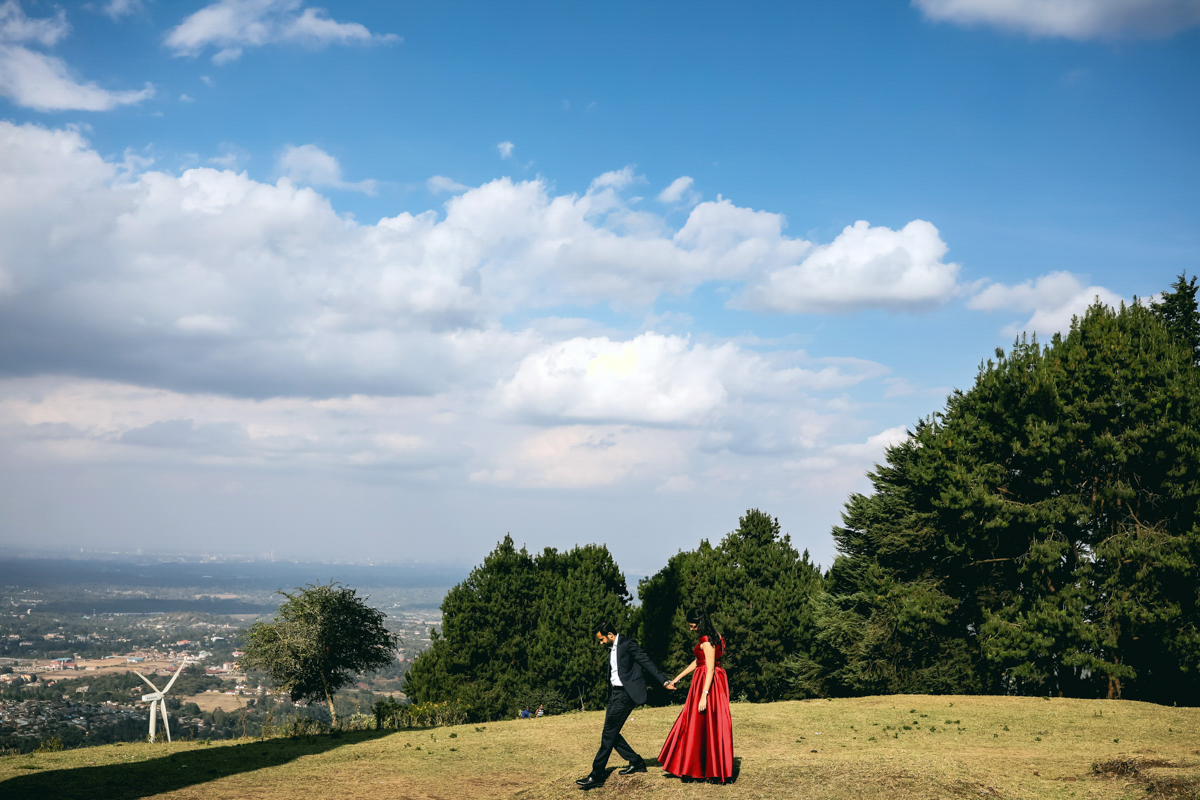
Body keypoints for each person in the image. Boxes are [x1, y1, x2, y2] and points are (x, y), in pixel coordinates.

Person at [576, 621, 673, 789]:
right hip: (615, 694)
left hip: (626, 694)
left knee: (608, 734)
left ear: (611, 635)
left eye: (601, 639)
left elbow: (646, 661)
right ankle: (636, 762)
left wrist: (664, 681)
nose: (600, 643)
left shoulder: (628, 644)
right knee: (610, 732)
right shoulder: (612, 647)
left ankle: (597, 774)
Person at [658, 609, 734, 783]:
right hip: (715, 680)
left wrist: (703, 695)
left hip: (708, 682)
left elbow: (710, 668)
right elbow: (700, 661)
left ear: (700, 623)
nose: (691, 629)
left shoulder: (706, 640)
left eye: (693, 626)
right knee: (711, 723)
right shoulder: (716, 636)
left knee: (697, 721)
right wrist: (678, 677)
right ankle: (707, 767)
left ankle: (697, 769)